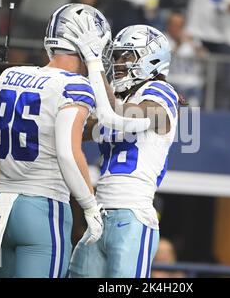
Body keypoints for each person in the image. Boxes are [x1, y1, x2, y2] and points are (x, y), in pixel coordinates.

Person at [0, 4, 110, 278]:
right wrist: (90, 206)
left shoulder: (10, 76)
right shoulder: (75, 85)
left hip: (4, 206)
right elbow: (67, 152)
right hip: (44, 209)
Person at [70, 24, 180, 278]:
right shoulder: (120, 100)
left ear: (152, 57)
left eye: (127, 55)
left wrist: (94, 65)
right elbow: (78, 128)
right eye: (116, 56)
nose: (119, 63)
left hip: (132, 214)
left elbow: (120, 118)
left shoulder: (159, 92)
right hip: (98, 212)